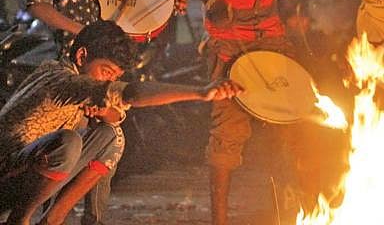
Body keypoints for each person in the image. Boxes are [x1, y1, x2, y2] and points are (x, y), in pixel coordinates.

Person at [25, 0, 186, 225]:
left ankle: (92, 219)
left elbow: (121, 6)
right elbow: (38, 4)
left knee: (109, 136)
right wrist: (82, 31)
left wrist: (166, 3)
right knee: (64, 151)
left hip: (94, 65)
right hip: (65, 67)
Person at [0, 20, 242, 225]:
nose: (109, 81)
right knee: (68, 142)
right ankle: (20, 220)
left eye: (115, 77)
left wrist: (104, 113)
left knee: (112, 136)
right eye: (106, 72)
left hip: (29, 173)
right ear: (82, 56)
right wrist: (201, 92)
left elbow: (115, 114)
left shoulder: (75, 78)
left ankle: (54, 220)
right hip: (7, 178)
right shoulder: (62, 79)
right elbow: (133, 95)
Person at [174, 0, 310, 225]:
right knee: (228, 132)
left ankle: (291, 213)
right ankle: (220, 221)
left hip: (272, 33)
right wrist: (210, 0)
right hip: (228, 40)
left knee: (293, 120)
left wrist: (299, 39)